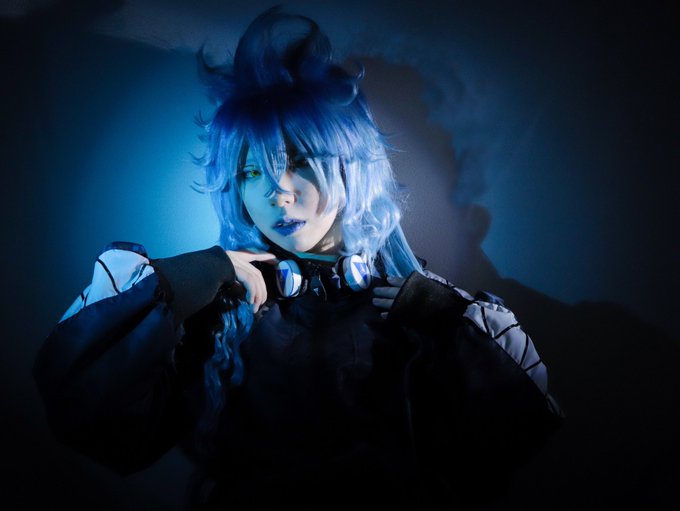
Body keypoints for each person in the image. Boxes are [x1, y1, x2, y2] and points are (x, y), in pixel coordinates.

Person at [34, 7, 562, 510]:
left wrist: (448, 320)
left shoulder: (427, 312)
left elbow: (520, 434)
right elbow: (84, 411)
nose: (278, 194)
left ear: (352, 167)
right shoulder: (215, 315)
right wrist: (180, 281)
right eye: (252, 172)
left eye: (300, 161)